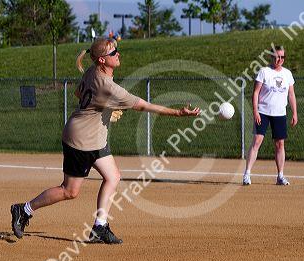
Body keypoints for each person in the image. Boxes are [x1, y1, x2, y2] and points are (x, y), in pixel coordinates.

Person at [10, 38, 200, 244]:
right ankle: (24, 209)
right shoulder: (110, 87)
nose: (118, 54)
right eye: (113, 53)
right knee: (69, 191)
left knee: (113, 176)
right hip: (81, 140)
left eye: (117, 50)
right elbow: (144, 106)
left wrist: (105, 109)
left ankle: (99, 227)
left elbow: (78, 93)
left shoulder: (92, 72)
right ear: (102, 60)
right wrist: (178, 113)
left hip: (95, 137)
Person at [243, 45, 298, 186]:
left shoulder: (287, 74)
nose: (279, 59)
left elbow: (291, 94)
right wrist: (255, 111)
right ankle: (247, 174)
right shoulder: (264, 71)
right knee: (257, 141)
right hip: (263, 112)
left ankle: (280, 176)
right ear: (271, 57)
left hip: (280, 114)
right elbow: (255, 93)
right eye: (277, 56)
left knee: (280, 144)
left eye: (282, 56)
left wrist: (294, 113)